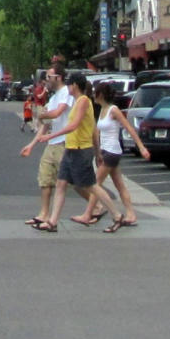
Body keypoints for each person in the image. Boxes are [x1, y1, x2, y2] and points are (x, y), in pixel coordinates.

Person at [31, 72, 126, 233]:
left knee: (91, 186)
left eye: (69, 84)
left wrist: (52, 135)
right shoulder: (76, 102)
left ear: (75, 85)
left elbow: (74, 126)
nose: (67, 87)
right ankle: (53, 222)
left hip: (81, 150)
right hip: (71, 148)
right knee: (61, 184)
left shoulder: (83, 101)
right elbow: (92, 129)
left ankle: (117, 216)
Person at [73, 81, 149, 227]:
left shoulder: (113, 110)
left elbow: (129, 128)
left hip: (112, 151)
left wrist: (141, 147)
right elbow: (97, 133)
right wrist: (97, 152)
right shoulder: (102, 110)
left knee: (95, 184)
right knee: (119, 185)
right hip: (105, 151)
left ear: (100, 94)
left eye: (95, 93)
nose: (93, 95)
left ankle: (88, 214)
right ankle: (131, 214)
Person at [19, 66, 74, 228]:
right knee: (45, 178)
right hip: (52, 143)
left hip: (65, 142)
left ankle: (97, 205)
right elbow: (46, 124)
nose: (46, 80)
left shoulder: (66, 93)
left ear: (58, 77)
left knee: (76, 181)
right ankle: (44, 214)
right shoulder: (55, 96)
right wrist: (31, 145)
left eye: (49, 76)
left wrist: (42, 114)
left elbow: (57, 113)